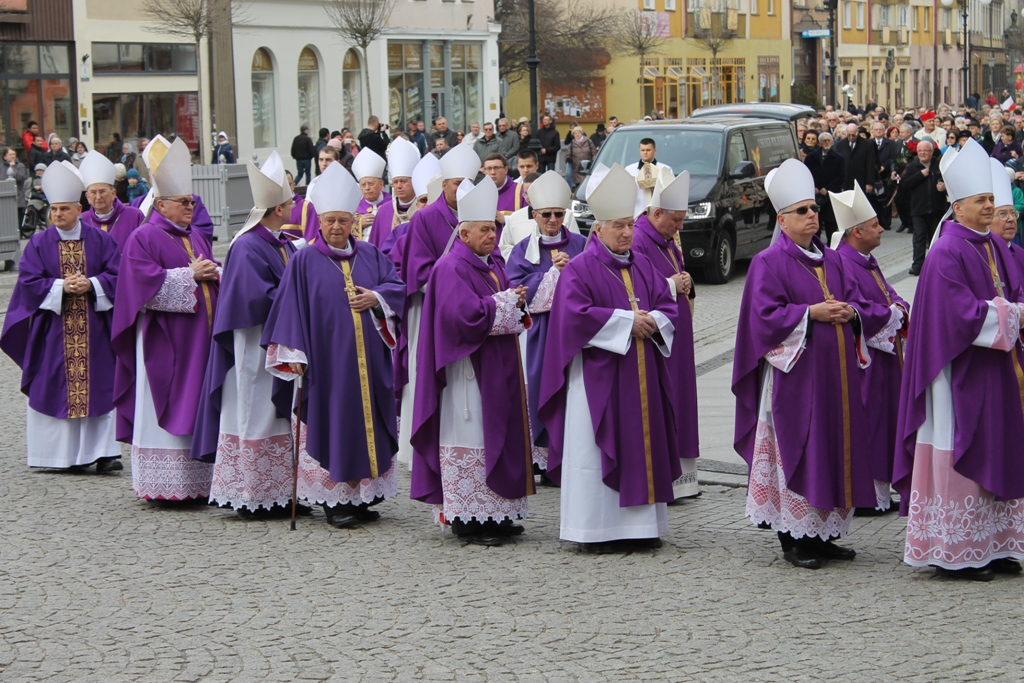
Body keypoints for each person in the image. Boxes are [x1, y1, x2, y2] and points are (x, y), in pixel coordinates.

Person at [733, 159, 877, 570]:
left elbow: (860, 300)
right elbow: (761, 318)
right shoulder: (768, 262)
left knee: (831, 447)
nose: (812, 215)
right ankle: (794, 539)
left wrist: (852, 311)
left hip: (837, 377)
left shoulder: (832, 260)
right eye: (802, 211)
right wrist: (809, 314)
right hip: (794, 378)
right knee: (796, 450)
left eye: (814, 208)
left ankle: (826, 533)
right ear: (782, 218)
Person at [895, 138, 1024, 581]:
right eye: (981, 200)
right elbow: (959, 314)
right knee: (961, 445)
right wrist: (1014, 316)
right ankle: (958, 550)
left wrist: (1014, 312)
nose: (990, 207)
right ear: (957, 206)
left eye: (992, 199)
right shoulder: (948, 251)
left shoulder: (991, 246)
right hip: (955, 373)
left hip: (996, 369)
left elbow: (1011, 294)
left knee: (1000, 443)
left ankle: (995, 543)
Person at [537, 164, 679, 552]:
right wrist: (625, 322)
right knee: (593, 450)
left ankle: (642, 528)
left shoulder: (643, 265)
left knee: (643, 442)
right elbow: (571, 319)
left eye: (630, 225)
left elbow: (669, 306)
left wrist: (653, 320)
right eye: (618, 226)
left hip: (642, 375)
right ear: (597, 229)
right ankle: (595, 531)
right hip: (597, 379)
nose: (627, 233)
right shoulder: (581, 269)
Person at [263, 162, 404, 527]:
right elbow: (288, 308)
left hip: (369, 365)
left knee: (367, 423)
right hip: (326, 366)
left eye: (344, 220)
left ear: (354, 222)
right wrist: (292, 355)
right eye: (331, 221)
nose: (337, 228)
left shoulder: (370, 255)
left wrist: (376, 298)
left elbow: (397, 287)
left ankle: (359, 498)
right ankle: (334, 501)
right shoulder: (305, 260)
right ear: (320, 223)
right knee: (333, 424)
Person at [410, 176, 533, 546]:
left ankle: (496, 513)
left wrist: (516, 301)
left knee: (498, 434)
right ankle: (469, 518)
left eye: (493, 228)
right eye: (483, 230)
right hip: (467, 374)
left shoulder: (492, 264)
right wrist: (505, 302)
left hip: (496, 367)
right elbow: (460, 318)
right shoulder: (450, 267)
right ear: (463, 234)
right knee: (474, 439)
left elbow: (501, 305)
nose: (492, 235)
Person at [190, 151, 301, 517]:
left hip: (280, 341)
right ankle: (253, 495)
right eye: (290, 201)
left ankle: (281, 492)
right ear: (279, 209)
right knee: (256, 410)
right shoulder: (248, 245)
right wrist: (301, 305)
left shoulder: (280, 242)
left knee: (278, 415)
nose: (295, 205)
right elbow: (255, 297)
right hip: (255, 345)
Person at [111, 138, 219, 503]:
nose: (191, 207)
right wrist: (190, 276)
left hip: (199, 341)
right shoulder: (143, 237)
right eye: (184, 202)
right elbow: (138, 288)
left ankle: (203, 483)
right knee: (169, 399)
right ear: (161, 204)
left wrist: (214, 273)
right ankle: (166, 486)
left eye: (191, 202)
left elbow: (210, 273)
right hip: (165, 342)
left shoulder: (197, 236)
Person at [0, 160, 122, 473]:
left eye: (63, 210)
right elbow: (27, 282)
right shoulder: (38, 244)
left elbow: (119, 273)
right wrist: (60, 286)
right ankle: (59, 456)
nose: (57, 216)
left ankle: (105, 453)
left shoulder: (102, 241)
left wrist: (92, 284)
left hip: (94, 329)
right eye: (53, 210)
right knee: (53, 385)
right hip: (53, 330)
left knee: (101, 385)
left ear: (78, 209)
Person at [395, 144, 483, 470]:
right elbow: (416, 272)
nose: (463, 190)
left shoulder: (480, 215)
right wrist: (455, 292)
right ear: (443, 184)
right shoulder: (426, 218)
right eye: (457, 183)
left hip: (473, 312)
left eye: (468, 183)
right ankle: (422, 445)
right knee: (428, 375)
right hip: (432, 310)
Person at [829, 182, 908, 516]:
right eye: (876, 225)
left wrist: (900, 309)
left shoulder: (867, 260)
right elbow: (852, 307)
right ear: (857, 231)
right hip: (863, 360)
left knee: (883, 422)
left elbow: (891, 295)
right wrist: (891, 313)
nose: (881, 229)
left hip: (883, 357)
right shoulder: (843, 262)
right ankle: (865, 495)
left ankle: (878, 493)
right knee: (868, 424)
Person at [505, 171, 587, 473]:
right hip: (538, 333)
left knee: (573, 391)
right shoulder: (521, 249)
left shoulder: (580, 244)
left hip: (574, 333)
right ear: (535, 214)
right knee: (540, 390)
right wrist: (553, 273)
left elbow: (596, 282)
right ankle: (543, 459)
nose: (553, 219)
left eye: (558, 214)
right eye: (547, 214)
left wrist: (573, 271)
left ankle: (571, 455)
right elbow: (519, 291)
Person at [631, 168, 701, 500]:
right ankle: (670, 476)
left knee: (683, 397)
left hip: (679, 335)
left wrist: (685, 281)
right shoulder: (639, 239)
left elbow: (677, 273)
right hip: (659, 338)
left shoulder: (665, 239)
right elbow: (634, 289)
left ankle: (686, 477)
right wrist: (674, 284)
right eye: (675, 220)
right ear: (656, 213)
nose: (680, 228)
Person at [78, 150, 146, 248]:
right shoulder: (82, 221)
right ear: (87, 197)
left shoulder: (135, 216)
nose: (98, 197)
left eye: (102, 191)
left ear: (113, 193)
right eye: (93, 192)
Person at [901, 140, 947, 276]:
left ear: (932, 152)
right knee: (919, 238)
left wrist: (944, 188)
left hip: (937, 209)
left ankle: (937, 265)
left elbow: (951, 183)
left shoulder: (939, 166)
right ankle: (918, 265)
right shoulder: (912, 166)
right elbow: (905, 184)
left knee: (936, 239)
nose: (922, 153)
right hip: (919, 209)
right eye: (920, 151)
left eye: (925, 150)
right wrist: (921, 175)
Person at [366, 137, 420, 251]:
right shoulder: (384, 211)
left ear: (414, 181)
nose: (399, 186)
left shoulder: (423, 208)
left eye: (404, 181)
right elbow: (374, 249)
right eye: (395, 182)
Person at [804, 131, 845, 243]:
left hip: (830, 195)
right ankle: (815, 246)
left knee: (831, 225)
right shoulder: (811, 157)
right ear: (819, 143)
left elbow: (840, 176)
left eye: (828, 140)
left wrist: (827, 188)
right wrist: (814, 187)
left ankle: (832, 248)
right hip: (815, 195)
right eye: (824, 141)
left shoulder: (838, 158)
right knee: (815, 222)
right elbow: (807, 173)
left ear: (832, 142)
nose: (827, 143)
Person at [351, 149, 391, 242]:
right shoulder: (354, 208)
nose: (367, 188)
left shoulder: (392, 204)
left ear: (381, 184)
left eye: (371, 184)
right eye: (363, 185)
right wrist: (358, 224)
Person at [625, 138, 671, 202]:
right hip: (638, 209)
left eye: (648, 150)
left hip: (658, 207)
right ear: (639, 151)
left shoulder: (665, 169)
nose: (645, 152)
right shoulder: (629, 169)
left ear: (654, 151)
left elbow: (671, 191)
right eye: (643, 150)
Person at [5, 147, 28, 225]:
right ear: (5, 157)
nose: (12, 156)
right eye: (10, 154)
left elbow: (19, 177)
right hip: (4, 196)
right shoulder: (1, 167)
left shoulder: (20, 166)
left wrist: (13, 167)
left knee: (17, 220)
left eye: (14, 154)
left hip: (17, 196)